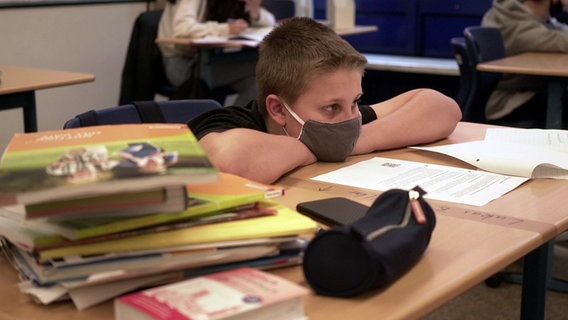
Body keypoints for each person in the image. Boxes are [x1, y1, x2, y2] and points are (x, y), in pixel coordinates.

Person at [188, 17, 462, 184]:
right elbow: (227, 163)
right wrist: (324, 147)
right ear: (278, 109)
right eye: (332, 107)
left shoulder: (340, 117)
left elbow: (442, 108)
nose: (349, 118)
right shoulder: (228, 123)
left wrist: (353, 142)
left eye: (355, 101)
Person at [158, 0, 276, 106]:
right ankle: (228, 124)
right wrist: (225, 29)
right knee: (261, 68)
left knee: (257, 84)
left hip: (208, 59)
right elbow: (182, 29)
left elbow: (271, 21)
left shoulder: (225, 4)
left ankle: (230, 124)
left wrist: (254, 9)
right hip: (181, 64)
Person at [481, 0, 568, 123]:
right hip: (510, 102)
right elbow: (563, 41)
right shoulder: (520, 28)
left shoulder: (517, 17)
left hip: (523, 91)